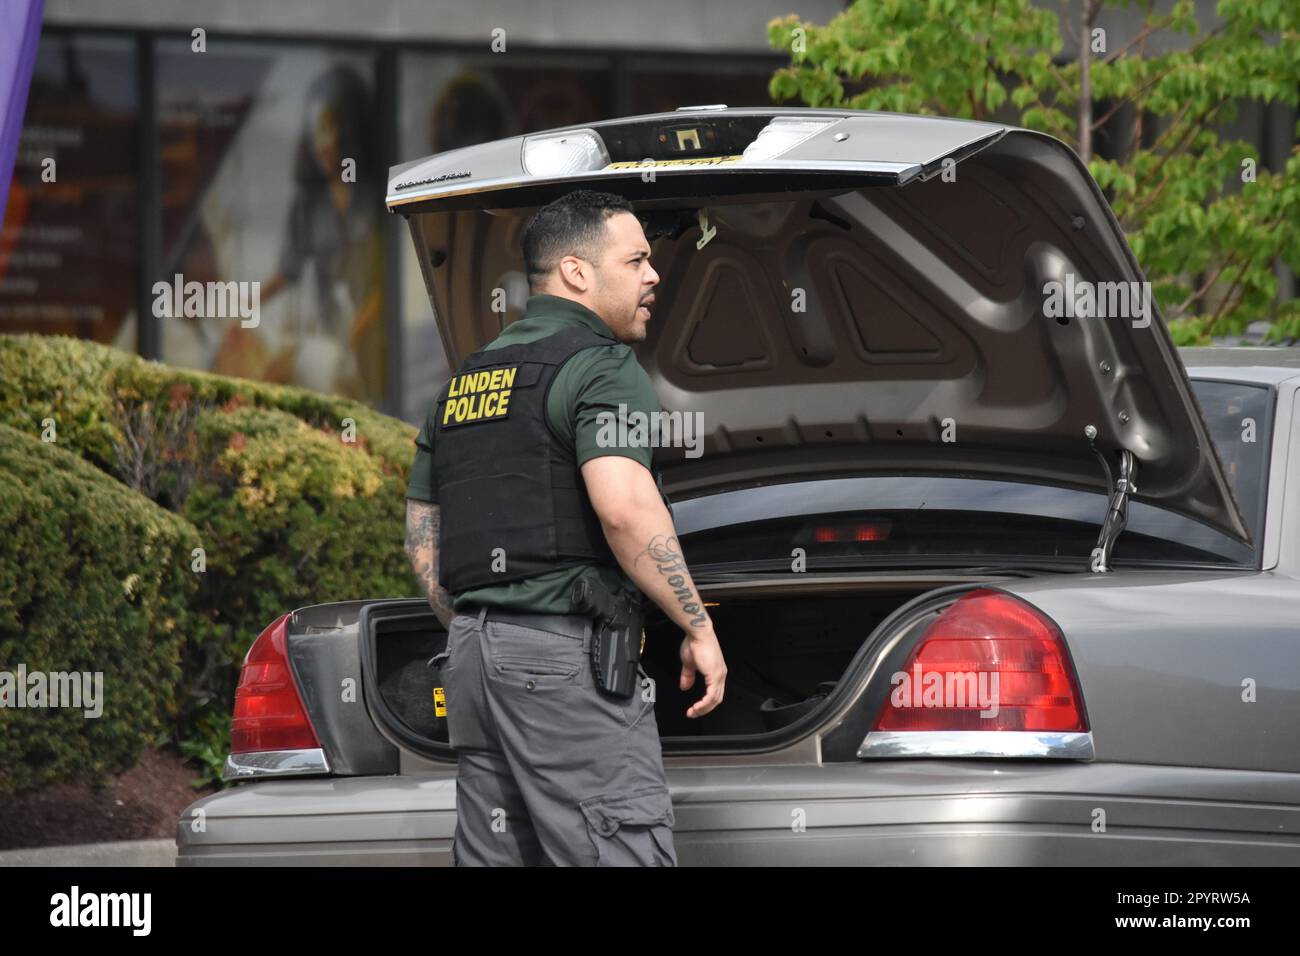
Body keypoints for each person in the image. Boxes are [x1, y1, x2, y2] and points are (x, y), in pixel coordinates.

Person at [403, 190, 727, 866]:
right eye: (636, 260)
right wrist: (699, 627)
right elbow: (625, 510)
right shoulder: (602, 368)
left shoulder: (463, 384)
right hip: (560, 661)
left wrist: (490, 630)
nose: (654, 275)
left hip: (471, 659)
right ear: (578, 273)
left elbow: (425, 541)